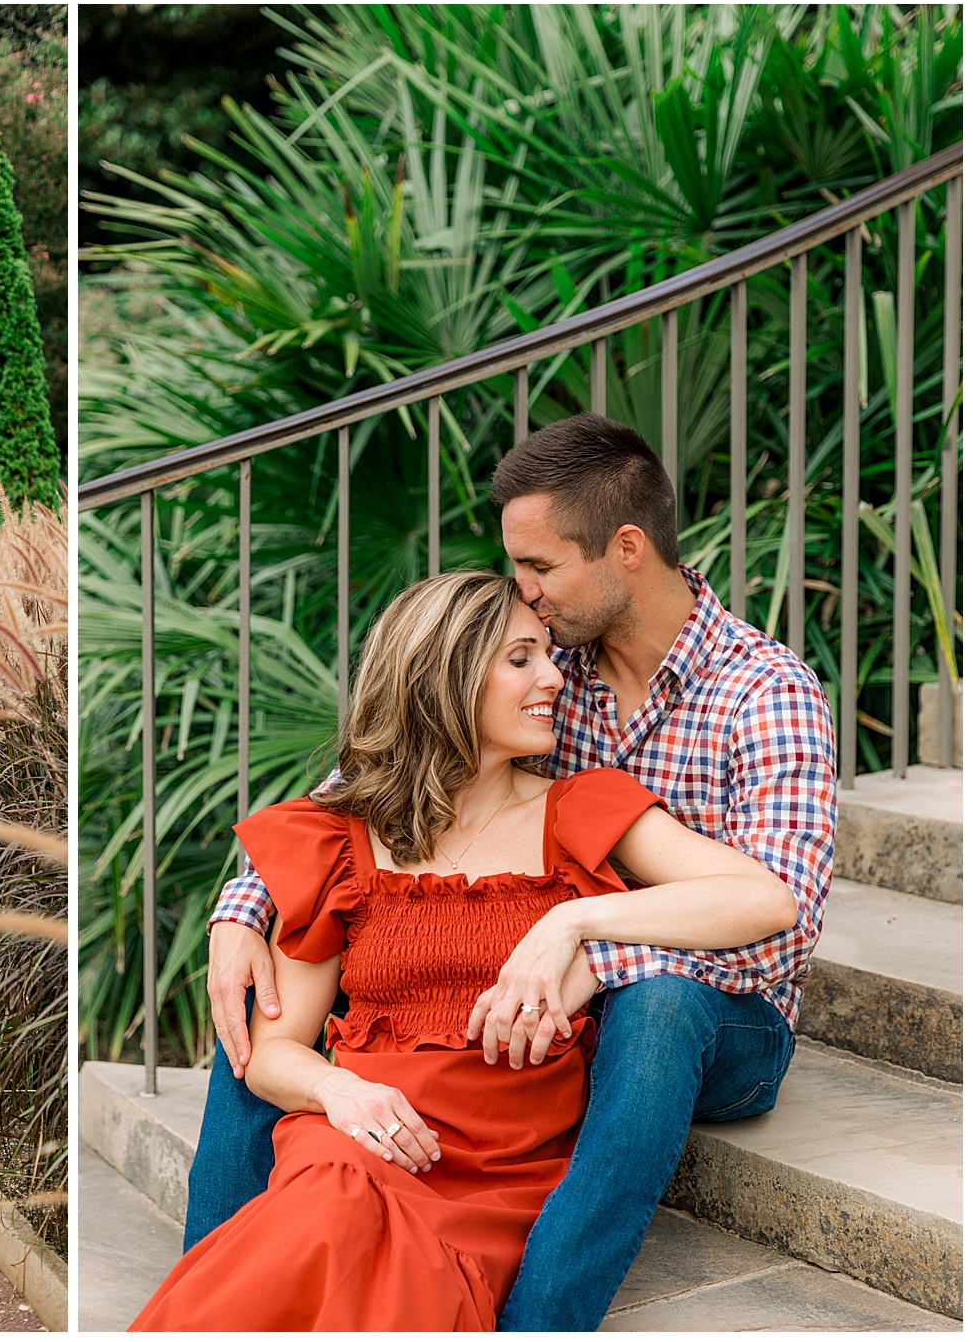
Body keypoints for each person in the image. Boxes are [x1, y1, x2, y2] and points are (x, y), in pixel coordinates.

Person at [187, 415, 836, 1329]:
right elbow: (371, 781)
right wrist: (244, 909)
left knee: (655, 1009)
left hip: (711, 1015)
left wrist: (579, 943)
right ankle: (209, 1292)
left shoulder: (763, 692)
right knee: (256, 1013)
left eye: (539, 568)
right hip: (518, 1007)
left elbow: (782, 924)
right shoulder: (547, 659)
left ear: (625, 548)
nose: (524, 592)